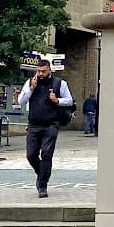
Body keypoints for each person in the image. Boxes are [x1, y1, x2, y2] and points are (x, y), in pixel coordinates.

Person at [18, 60, 73, 198]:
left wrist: (58, 100)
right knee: (31, 155)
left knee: (47, 154)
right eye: (39, 71)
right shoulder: (31, 82)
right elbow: (21, 101)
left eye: (43, 71)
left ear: (50, 70)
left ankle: (42, 185)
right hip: (34, 124)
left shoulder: (60, 83)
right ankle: (42, 173)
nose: (40, 73)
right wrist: (31, 88)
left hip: (51, 124)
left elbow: (70, 100)